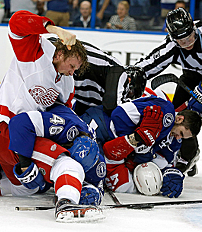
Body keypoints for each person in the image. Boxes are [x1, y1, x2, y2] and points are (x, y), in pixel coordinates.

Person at [0, 104, 106, 221]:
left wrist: (91, 191)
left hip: (7, 139)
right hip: (3, 134)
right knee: (65, 165)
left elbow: (99, 183)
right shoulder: (64, 127)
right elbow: (18, 123)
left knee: (27, 190)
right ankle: (67, 202)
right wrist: (25, 166)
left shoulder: (95, 158)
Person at [81, 87, 201, 197]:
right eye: (181, 133)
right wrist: (136, 138)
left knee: (123, 185)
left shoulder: (174, 141)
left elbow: (163, 162)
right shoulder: (165, 112)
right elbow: (118, 114)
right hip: (102, 127)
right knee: (90, 169)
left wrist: (172, 173)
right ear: (179, 119)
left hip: (118, 151)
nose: (179, 138)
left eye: (183, 138)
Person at [131, 7, 202, 177]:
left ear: (193, 26)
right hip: (191, 76)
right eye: (180, 40)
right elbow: (151, 63)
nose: (186, 42)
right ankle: (188, 156)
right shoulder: (173, 44)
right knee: (178, 117)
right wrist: (133, 74)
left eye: (189, 36)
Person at [73, 42, 146, 116]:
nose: (126, 98)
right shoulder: (119, 73)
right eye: (130, 94)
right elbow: (111, 107)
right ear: (129, 80)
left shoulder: (106, 79)